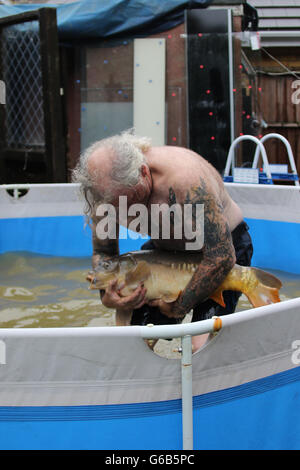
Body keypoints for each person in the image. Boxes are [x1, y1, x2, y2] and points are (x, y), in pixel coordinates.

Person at [73, 129, 253, 350]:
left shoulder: (186, 181)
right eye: (116, 205)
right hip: (165, 252)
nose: (126, 210)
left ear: (144, 173)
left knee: (200, 346)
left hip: (220, 250)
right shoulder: (104, 198)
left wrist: (179, 306)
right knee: (135, 342)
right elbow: (104, 254)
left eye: (131, 200)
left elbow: (222, 257)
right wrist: (109, 296)